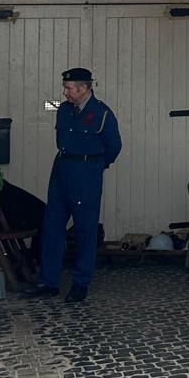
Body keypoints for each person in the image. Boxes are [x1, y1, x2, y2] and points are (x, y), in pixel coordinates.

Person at [30, 68, 122, 304]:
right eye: (65, 88)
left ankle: (81, 283)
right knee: (52, 227)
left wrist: (95, 167)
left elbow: (114, 147)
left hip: (86, 172)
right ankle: (49, 281)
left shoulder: (101, 114)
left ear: (84, 88)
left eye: (69, 88)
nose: (65, 92)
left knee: (85, 230)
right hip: (61, 170)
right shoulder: (63, 110)